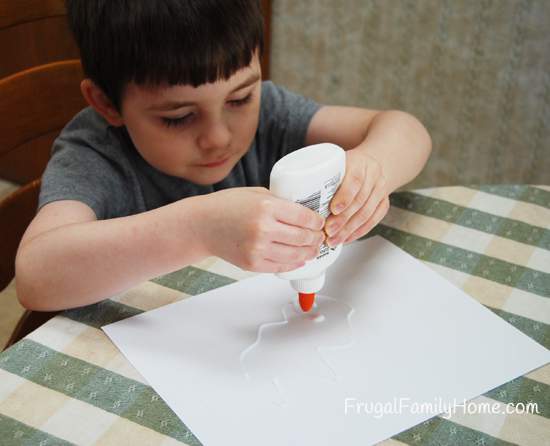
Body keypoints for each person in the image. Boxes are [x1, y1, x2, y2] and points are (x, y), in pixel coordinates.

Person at [15, 0, 432, 311]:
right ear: (107, 103)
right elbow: (36, 275)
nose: (217, 138)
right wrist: (198, 228)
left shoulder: (268, 113)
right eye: (178, 117)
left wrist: (373, 168)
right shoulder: (95, 154)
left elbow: (406, 131)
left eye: (240, 98)